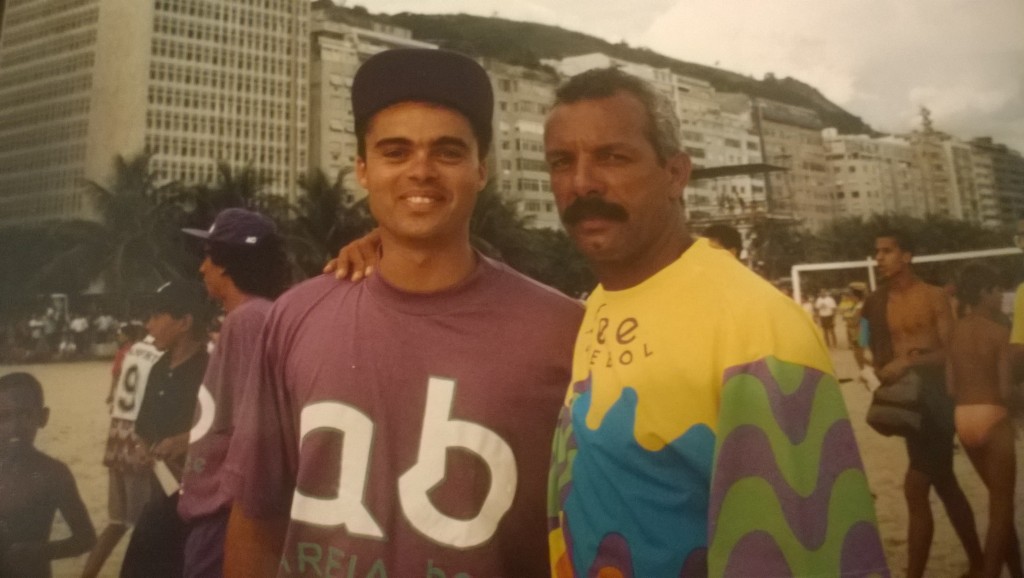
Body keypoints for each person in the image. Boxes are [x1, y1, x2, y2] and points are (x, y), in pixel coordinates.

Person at [330, 66, 886, 577]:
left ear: (675, 173)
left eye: (613, 157)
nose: (583, 183)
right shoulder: (598, 304)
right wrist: (395, 241)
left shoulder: (758, 328)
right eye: (561, 162)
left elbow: (813, 558)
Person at [223, 48, 583, 577]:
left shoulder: (562, 330)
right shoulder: (294, 317)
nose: (421, 171)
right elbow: (257, 519)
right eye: (396, 152)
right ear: (363, 170)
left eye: (447, 152)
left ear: (482, 169)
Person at [177, 208, 291, 577]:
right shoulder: (252, 316)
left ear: (225, 263)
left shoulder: (248, 319)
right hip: (219, 509)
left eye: (208, 258)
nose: (202, 268)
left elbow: (254, 427)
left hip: (223, 512)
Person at [863, 230, 983, 578]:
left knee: (916, 486)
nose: (880, 258)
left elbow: (952, 352)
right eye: (877, 252)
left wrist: (909, 362)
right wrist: (876, 366)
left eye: (887, 251)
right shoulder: (879, 300)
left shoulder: (933, 297)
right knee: (945, 483)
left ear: (907, 256)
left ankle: (914, 574)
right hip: (906, 403)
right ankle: (978, 561)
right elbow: (868, 340)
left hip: (935, 400)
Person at [120, 280, 212, 578]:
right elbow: (143, 426)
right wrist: (142, 449)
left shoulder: (210, 369)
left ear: (184, 322)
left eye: (157, 316)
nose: (148, 325)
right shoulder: (159, 366)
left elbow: (230, 425)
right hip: (160, 492)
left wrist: (186, 440)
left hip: (196, 498)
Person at [949, 263, 1022, 578]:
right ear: (983, 292)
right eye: (995, 291)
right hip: (993, 416)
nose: (1000, 298)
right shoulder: (999, 332)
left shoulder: (955, 331)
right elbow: (1005, 390)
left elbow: (951, 387)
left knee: (998, 502)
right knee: (1002, 510)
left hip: (964, 417)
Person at [81, 322, 159, 578]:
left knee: (116, 523)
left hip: (117, 435)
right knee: (145, 528)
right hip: (139, 437)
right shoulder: (163, 353)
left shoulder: (136, 349)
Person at [0, 372, 96, 577]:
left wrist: (40, 551)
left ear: (43, 417)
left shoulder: (53, 474)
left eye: (25, 415)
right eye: (4, 417)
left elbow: (86, 538)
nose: (15, 427)